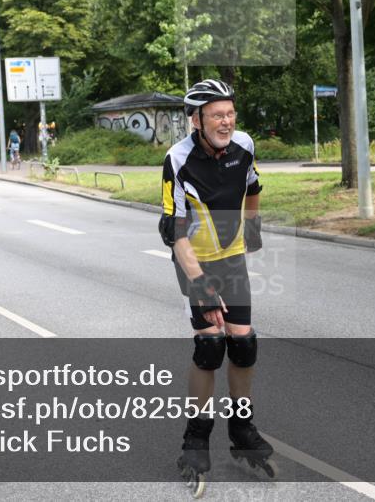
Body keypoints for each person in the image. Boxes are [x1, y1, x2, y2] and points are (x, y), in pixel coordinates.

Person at [159, 79, 274, 493]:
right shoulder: (178, 159)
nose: (226, 121)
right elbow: (174, 231)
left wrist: (253, 231)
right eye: (216, 115)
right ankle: (195, 439)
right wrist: (203, 287)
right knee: (210, 345)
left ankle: (241, 430)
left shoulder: (244, 144)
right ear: (196, 120)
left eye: (230, 113)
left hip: (230, 255)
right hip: (193, 258)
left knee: (243, 344)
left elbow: (254, 187)